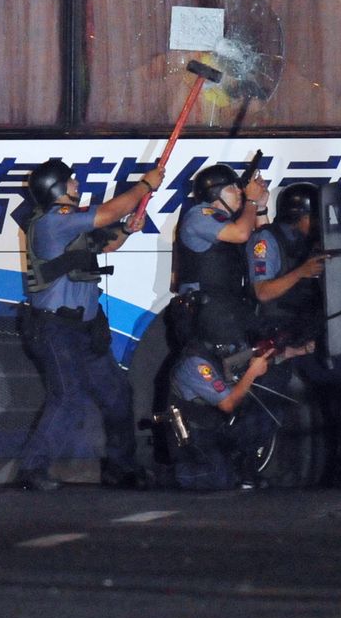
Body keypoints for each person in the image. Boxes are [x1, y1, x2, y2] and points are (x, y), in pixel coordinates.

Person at [17, 158, 165, 491]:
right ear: (56, 189)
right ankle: (32, 469)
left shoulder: (70, 225)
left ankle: (120, 467)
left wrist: (127, 229)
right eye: (70, 181)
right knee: (68, 396)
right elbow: (107, 213)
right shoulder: (53, 222)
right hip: (55, 328)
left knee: (117, 394)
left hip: (85, 327)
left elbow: (107, 241)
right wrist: (145, 185)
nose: (76, 185)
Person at [246, 181, 341, 487]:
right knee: (277, 400)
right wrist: (301, 272)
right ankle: (249, 464)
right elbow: (262, 292)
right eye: (314, 216)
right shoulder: (266, 241)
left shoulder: (308, 242)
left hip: (307, 332)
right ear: (299, 215)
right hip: (277, 334)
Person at [163, 294, 280, 491]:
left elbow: (241, 357)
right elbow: (228, 404)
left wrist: (289, 351)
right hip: (192, 433)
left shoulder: (215, 349)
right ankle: (170, 474)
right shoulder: (196, 362)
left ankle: (243, 466)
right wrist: (251, 372)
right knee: (220, 479)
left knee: (266, 415)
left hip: (213, 426)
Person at [175, 162, 270, 344]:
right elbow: (241, 234)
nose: (239, 192)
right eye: (232, 187)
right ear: (214, 192)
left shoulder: (234, 221)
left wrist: (259, 206)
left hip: (229, 309)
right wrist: (250, 201)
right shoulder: (199, 215)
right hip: (206, 314)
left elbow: (265, 242)